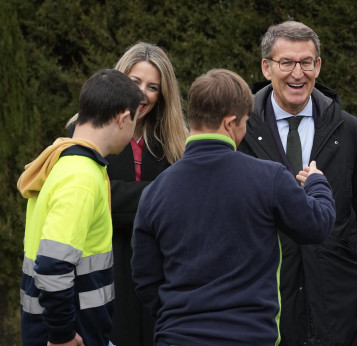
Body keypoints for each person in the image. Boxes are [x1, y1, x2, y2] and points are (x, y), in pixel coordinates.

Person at [130, 68, 336, 345]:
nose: (245, 130)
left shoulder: (155, 191)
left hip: (177, 336)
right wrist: (317, 184)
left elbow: (145, 277)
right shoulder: (269, 178)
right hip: (250, 336)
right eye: (245, 122)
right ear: (230, 123)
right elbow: (317, 225)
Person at [237, 20, 357, 345]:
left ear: (318, 66)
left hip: (335, 296)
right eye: (286, 62)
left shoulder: (347, 129)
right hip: (263, 295)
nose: (297, 74)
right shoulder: (241, 130)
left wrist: (333, 245)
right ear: (266, 67)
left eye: (306, 63)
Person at [67, 42, 188, 346]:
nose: (142, 94)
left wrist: (121, 198)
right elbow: (94, 197)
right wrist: (160, 196)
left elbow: (183, 207)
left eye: (153, 87)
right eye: (135, 82)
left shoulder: (176, 141)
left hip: (160, 272)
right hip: (105, 267)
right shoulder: (82, 131)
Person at [17, 69, 144, 346]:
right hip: (69, 336)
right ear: (123, 118)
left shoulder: (63, 160)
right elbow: (52, 265)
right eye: (135, 120)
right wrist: (62, 334)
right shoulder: (81, 176)